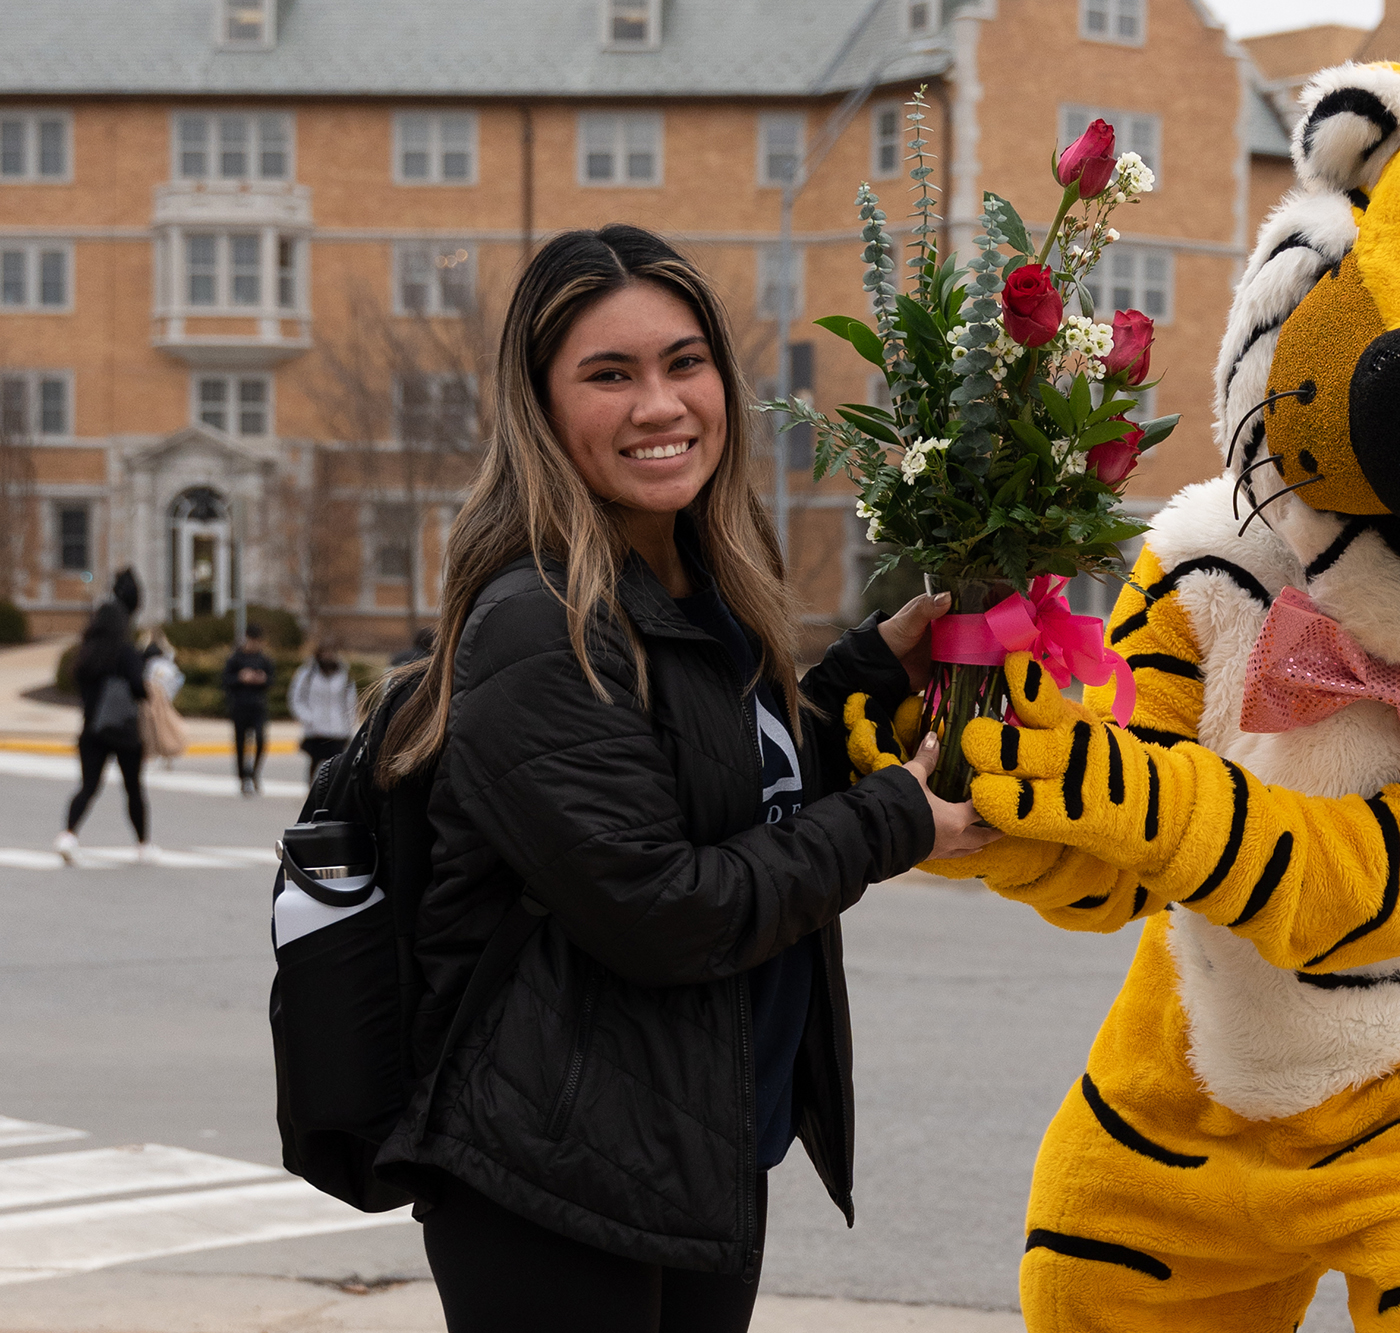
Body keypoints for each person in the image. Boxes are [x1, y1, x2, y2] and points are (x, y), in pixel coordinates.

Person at [367, 225, 996, 1333]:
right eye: (609, 374)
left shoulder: (696, 581)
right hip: (555, 1172)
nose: (659, 404)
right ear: (541, 406)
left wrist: (856, 672)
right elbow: (662, 906)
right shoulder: (540, 621)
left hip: (692, 1142)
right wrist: (891, 821)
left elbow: (719, 787)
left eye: (683, 362)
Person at [55, 599, 153, 865]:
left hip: (92, 729)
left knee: (88, 786)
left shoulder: (86, 653)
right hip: (124, 730)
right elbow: (139, 688)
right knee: (133, 788)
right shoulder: (126, 652)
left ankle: (68, 835)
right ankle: (142, 844)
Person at [288, 641, 357, 784]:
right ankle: (312, 790)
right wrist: (306, 717)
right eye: (325, 652)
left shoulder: (344, 675)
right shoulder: (307, 673)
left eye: (331, 652)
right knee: (315, 763)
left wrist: (350, 725)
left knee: (336, 767)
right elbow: (296, 697)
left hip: (338, 728)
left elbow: (350, 702)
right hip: (316, 728)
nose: (328, 656)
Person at [221, 624, 273, 796]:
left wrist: (262, 679)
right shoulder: (236, 658)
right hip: (239, 706)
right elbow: (225, 680)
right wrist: (240, 677)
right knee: (241, 743)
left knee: (260, 740)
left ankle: (255, 772)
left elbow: (271, 679)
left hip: (258, 706)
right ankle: (242, 777)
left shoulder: (264, 659)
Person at [139, 626, 189, 765]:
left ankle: (159, 752)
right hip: (162, 699)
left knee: (156, 728)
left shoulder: (154, 666)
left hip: (157, 700)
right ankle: (162, 753)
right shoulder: (165, 665)